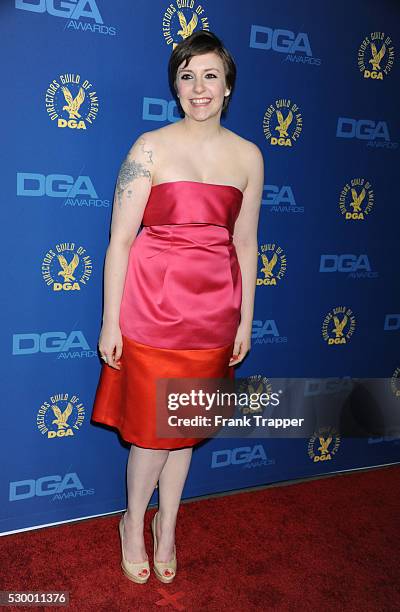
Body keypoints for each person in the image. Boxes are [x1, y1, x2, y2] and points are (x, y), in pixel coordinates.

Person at [91, 30, 264, 584]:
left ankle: (168, 529)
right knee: (150, 435)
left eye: (210, 75)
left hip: (214, 315)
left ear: (229, 85)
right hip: (151, 311)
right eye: (187, 76)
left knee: (185, 430)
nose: (198, 87)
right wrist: (110, 320)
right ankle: (132, 525)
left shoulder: (248, 156)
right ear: (175, 86)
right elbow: (118, 240)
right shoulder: (150, 148)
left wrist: (246, 317)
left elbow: (246, 243)